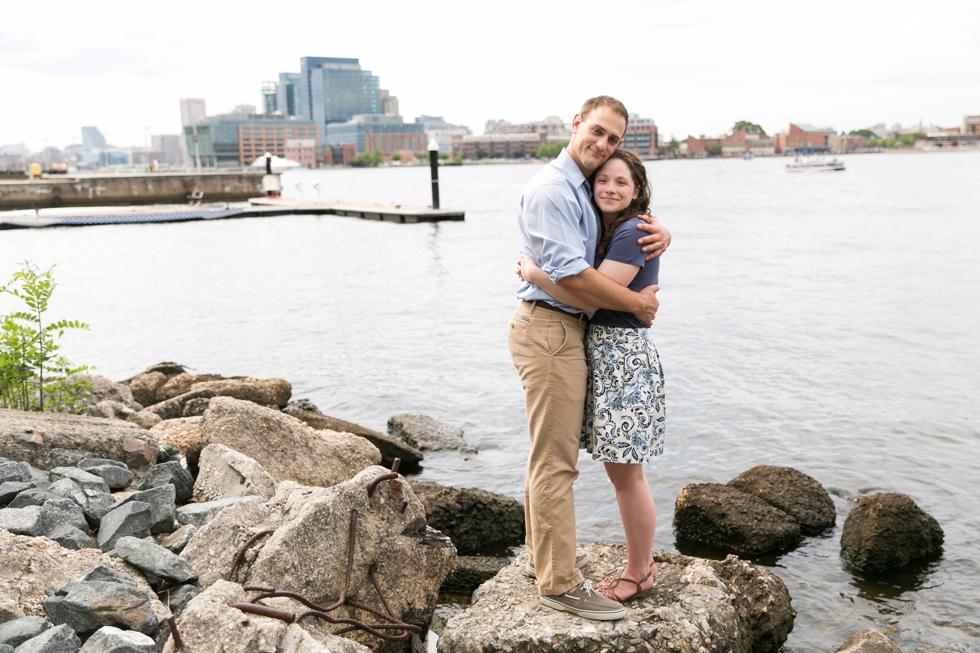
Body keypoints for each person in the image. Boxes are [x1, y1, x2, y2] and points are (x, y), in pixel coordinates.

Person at [507, 95, 671, 621]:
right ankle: (560, 583)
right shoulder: (556, 189)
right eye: (596, 132)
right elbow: (578, 281)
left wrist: (661, 232)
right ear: (575, 124)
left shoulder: (587, 191)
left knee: (550, 457)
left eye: (613, 140)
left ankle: (543, 563)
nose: (602, 146)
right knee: (556, 462)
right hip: (551, 329)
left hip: (568, 331)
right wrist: (639, 304)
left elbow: (607, 256)